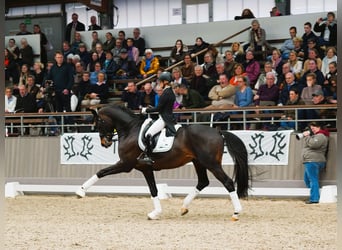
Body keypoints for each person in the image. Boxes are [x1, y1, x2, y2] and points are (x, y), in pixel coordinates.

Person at [139, 71, 176, 165]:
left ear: (166, 82)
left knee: (148, 134)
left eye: (160, 82)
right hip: (166, 116)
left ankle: (148, 155)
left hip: (164, 119)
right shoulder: (170, 92)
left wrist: (146, 110)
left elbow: (159, 108)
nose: (159, 84)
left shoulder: (166, 93)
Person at [301, 121, 329, 204]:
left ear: (319, 127)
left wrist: (307, 136)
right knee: (307, 180)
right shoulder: (318, 135)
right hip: (311, 160)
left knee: (313, 180)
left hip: (313, 160)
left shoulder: (321, 136)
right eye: (311, 128)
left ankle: (314, 199)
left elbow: (314, 145)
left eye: (314, 128)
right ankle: (315, 194)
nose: (312, 130)